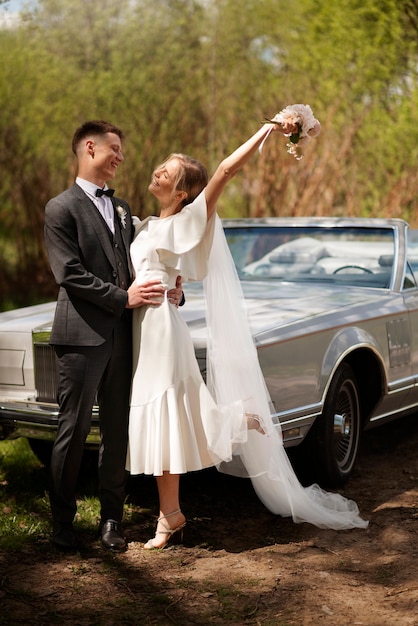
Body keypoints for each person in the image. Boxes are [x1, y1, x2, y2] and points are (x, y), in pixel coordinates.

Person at [126, 114, 368, 550]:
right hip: (144, 325)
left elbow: (224, 171)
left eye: (169, 170)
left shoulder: (186, 220)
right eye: (161, 165)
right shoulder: (145, 225)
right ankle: (174, 511)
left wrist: (269, 129)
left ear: (182, 193)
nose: (157, 170)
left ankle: (226, 434)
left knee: (164, 417)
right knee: (164, 421)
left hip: (161, 330)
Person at [44, 120, 182, 551]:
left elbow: (140, 261)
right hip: (81, 336)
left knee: (117, 432)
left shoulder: (122, 209)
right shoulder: (59, 208)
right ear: (89, 147)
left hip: (124, 338)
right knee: (73, 428)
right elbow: (69, 274)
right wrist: (123, 298)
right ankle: (62, 524)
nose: (121, 156)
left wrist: (169, 287)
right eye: (114, 148)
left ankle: (111, 523)